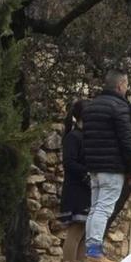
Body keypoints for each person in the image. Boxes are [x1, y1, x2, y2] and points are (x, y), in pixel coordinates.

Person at [80, 65, 131, 262]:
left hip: (94, 167)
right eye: (127, 85)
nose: (127, 89)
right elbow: (127, 140)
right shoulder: (119, 107)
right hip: (113, 167)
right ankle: (94, 251)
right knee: (103, 208)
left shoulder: (91, 107)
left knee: (95, 207)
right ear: (121, 85)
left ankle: (91, 247)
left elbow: (86, 138)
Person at [57, 99, 89, 230]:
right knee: (75, 233)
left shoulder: (86, 137)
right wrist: (87, 171)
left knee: (83, 235)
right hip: (76, 191)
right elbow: (69, 163)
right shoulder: (73, 137)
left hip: (86, 191)